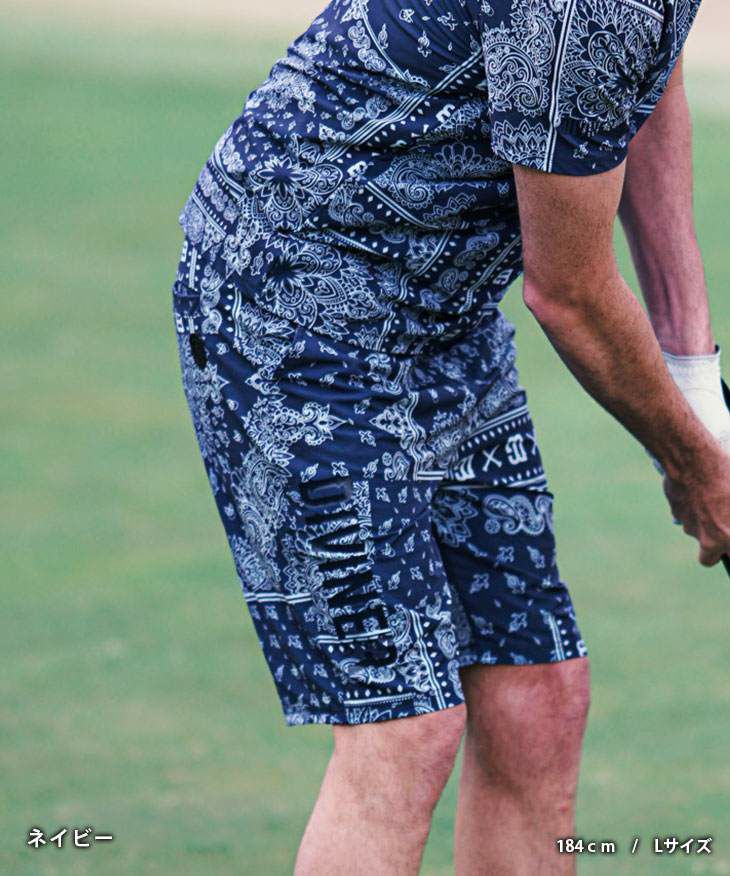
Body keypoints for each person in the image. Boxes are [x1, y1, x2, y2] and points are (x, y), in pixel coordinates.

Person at [171, 0, 730, 872]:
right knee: (405, 726)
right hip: (294, 304)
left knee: (537, 695)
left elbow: (645, 81)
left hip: (441, 315)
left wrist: (695, 377)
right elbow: (570, 292)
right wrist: (697, 466)